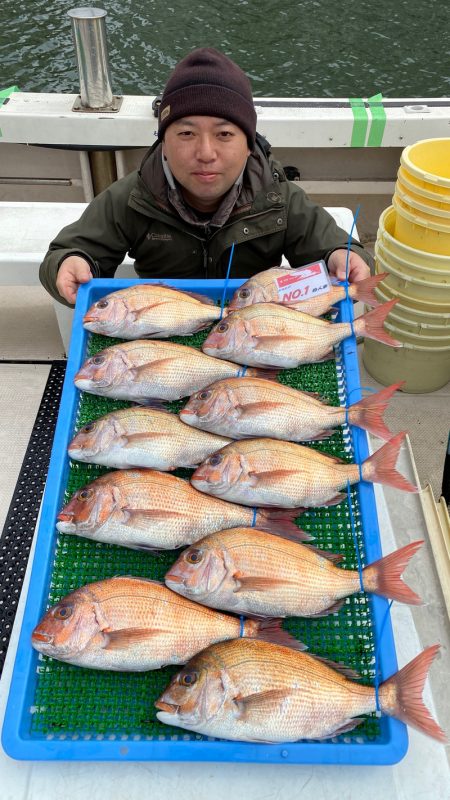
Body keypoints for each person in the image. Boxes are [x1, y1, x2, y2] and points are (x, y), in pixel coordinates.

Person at [39, 47, 372, 307]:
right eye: (186, 133)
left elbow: (329, 245)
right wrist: (70, 264)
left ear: (249, 145)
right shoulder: (131, 198)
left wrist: (343, 256)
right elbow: (73, 249)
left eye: (225, 134)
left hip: (254, 323)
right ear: (163, 143)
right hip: (163, 324)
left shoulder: (279, 198)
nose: (206, 153)